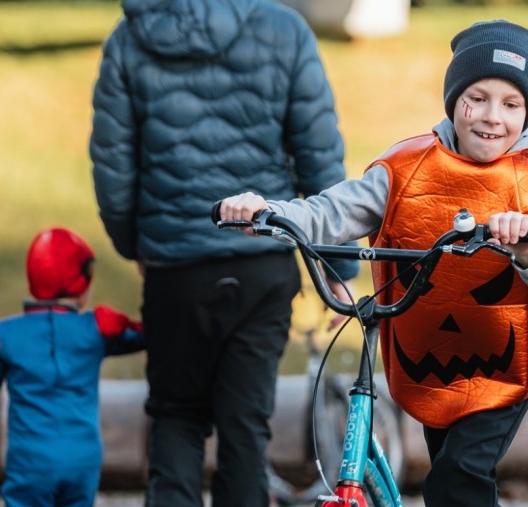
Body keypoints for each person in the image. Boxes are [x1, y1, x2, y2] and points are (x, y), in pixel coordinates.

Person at [218, 20, 528, 506]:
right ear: (454, 99)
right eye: (476, 98)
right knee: (448, 477)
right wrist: (270, 212)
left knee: (457, 476)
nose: (491, 117)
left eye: (511, 104)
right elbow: (334, 211)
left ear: (527, 114)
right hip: (429, 358)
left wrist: (527, 251)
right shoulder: (408, 168)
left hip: (504, 369)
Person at [87, 0, 359, 504]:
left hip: (175, 268)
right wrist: (336, 264)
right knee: (246, 427)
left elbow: (113, 164)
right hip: (263, 262)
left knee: (175, 416)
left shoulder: (129, 38)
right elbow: (319, 155)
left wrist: (135, 244)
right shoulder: (284, 29)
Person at [0, 227, 144, 507]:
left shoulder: (1, 337)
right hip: (82, 459)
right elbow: (148, 332)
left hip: (30, 462)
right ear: (83, 280)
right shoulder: (97, 329)